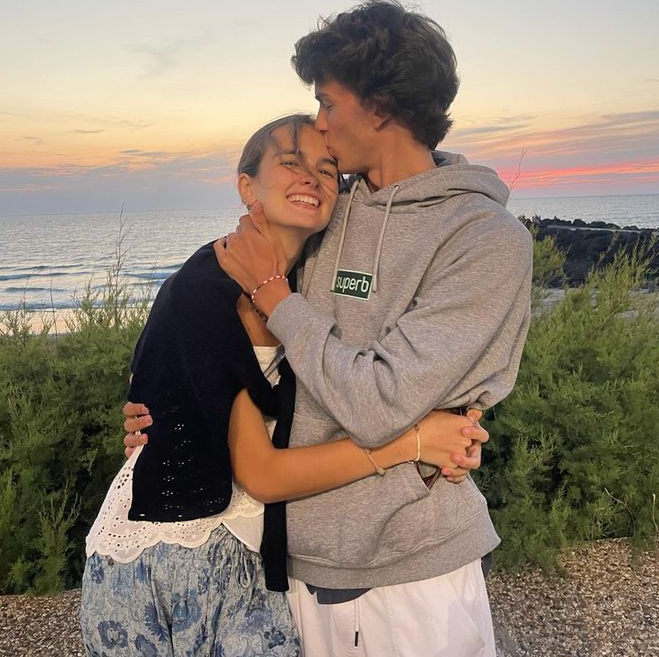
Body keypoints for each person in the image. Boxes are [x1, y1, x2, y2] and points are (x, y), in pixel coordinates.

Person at [81, 113, 486, 657]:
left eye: (327, 169)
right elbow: (262, 474)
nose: (311, 178)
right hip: (167, 551)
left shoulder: (301, 292)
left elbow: (369, 379)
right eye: (289, 163)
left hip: (253, 550)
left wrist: (457, 425)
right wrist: (416, 442)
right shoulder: (206, 288)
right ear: (247, 186)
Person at [214, 0, 533, 656]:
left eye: (329, 104)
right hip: (297, 560)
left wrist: (280, 299)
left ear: (380, 108)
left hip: (413, 571)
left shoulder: (483, 238)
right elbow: (239, 328)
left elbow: (382, 401)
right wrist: (167, 402)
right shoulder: (326, 211)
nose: (318, 127)